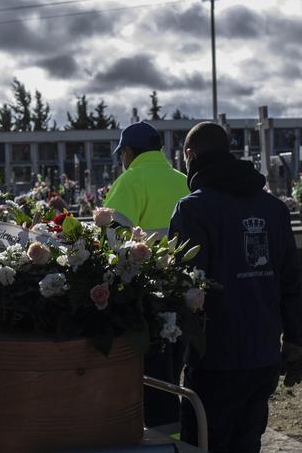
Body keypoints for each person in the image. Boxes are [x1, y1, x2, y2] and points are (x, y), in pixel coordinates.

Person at [169, 122, 302, 453]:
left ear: (189, 155)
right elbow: (290, 279)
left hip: (214, 360)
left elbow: (186, 288)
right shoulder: (273, 209)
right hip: (262, 356)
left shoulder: (193, 210)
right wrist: (295, 340)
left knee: (202, 445)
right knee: (247, 444)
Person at [102, 121, 191, 429]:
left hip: (145, 296)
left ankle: (162, 442)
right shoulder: (183, 179)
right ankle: (180, 440)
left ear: (128, 152)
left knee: (152, 382)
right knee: (174, 373)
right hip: (185, 293)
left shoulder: (129, 182)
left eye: (122, 154)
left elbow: (111, 239)